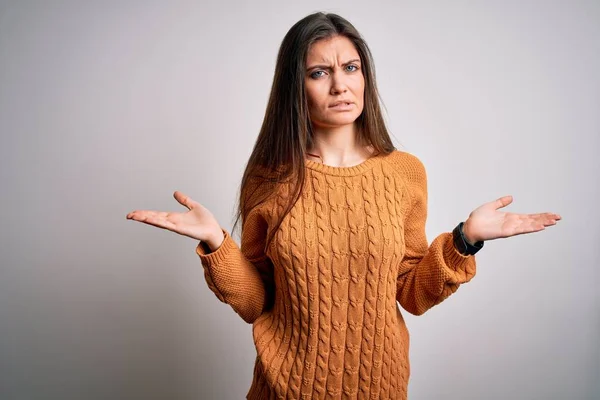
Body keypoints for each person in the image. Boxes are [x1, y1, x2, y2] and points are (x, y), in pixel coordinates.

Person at [126, 12, 561, 400]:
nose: (340, 84)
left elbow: (410, 292)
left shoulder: (405, 172)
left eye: (350, 68)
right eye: (319, 72)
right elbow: (258, 301)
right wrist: (216, 242)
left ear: (364, 76)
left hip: (380, 388)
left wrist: (464, 241)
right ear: (295, 86)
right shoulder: (269, 176)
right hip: (283, 391)